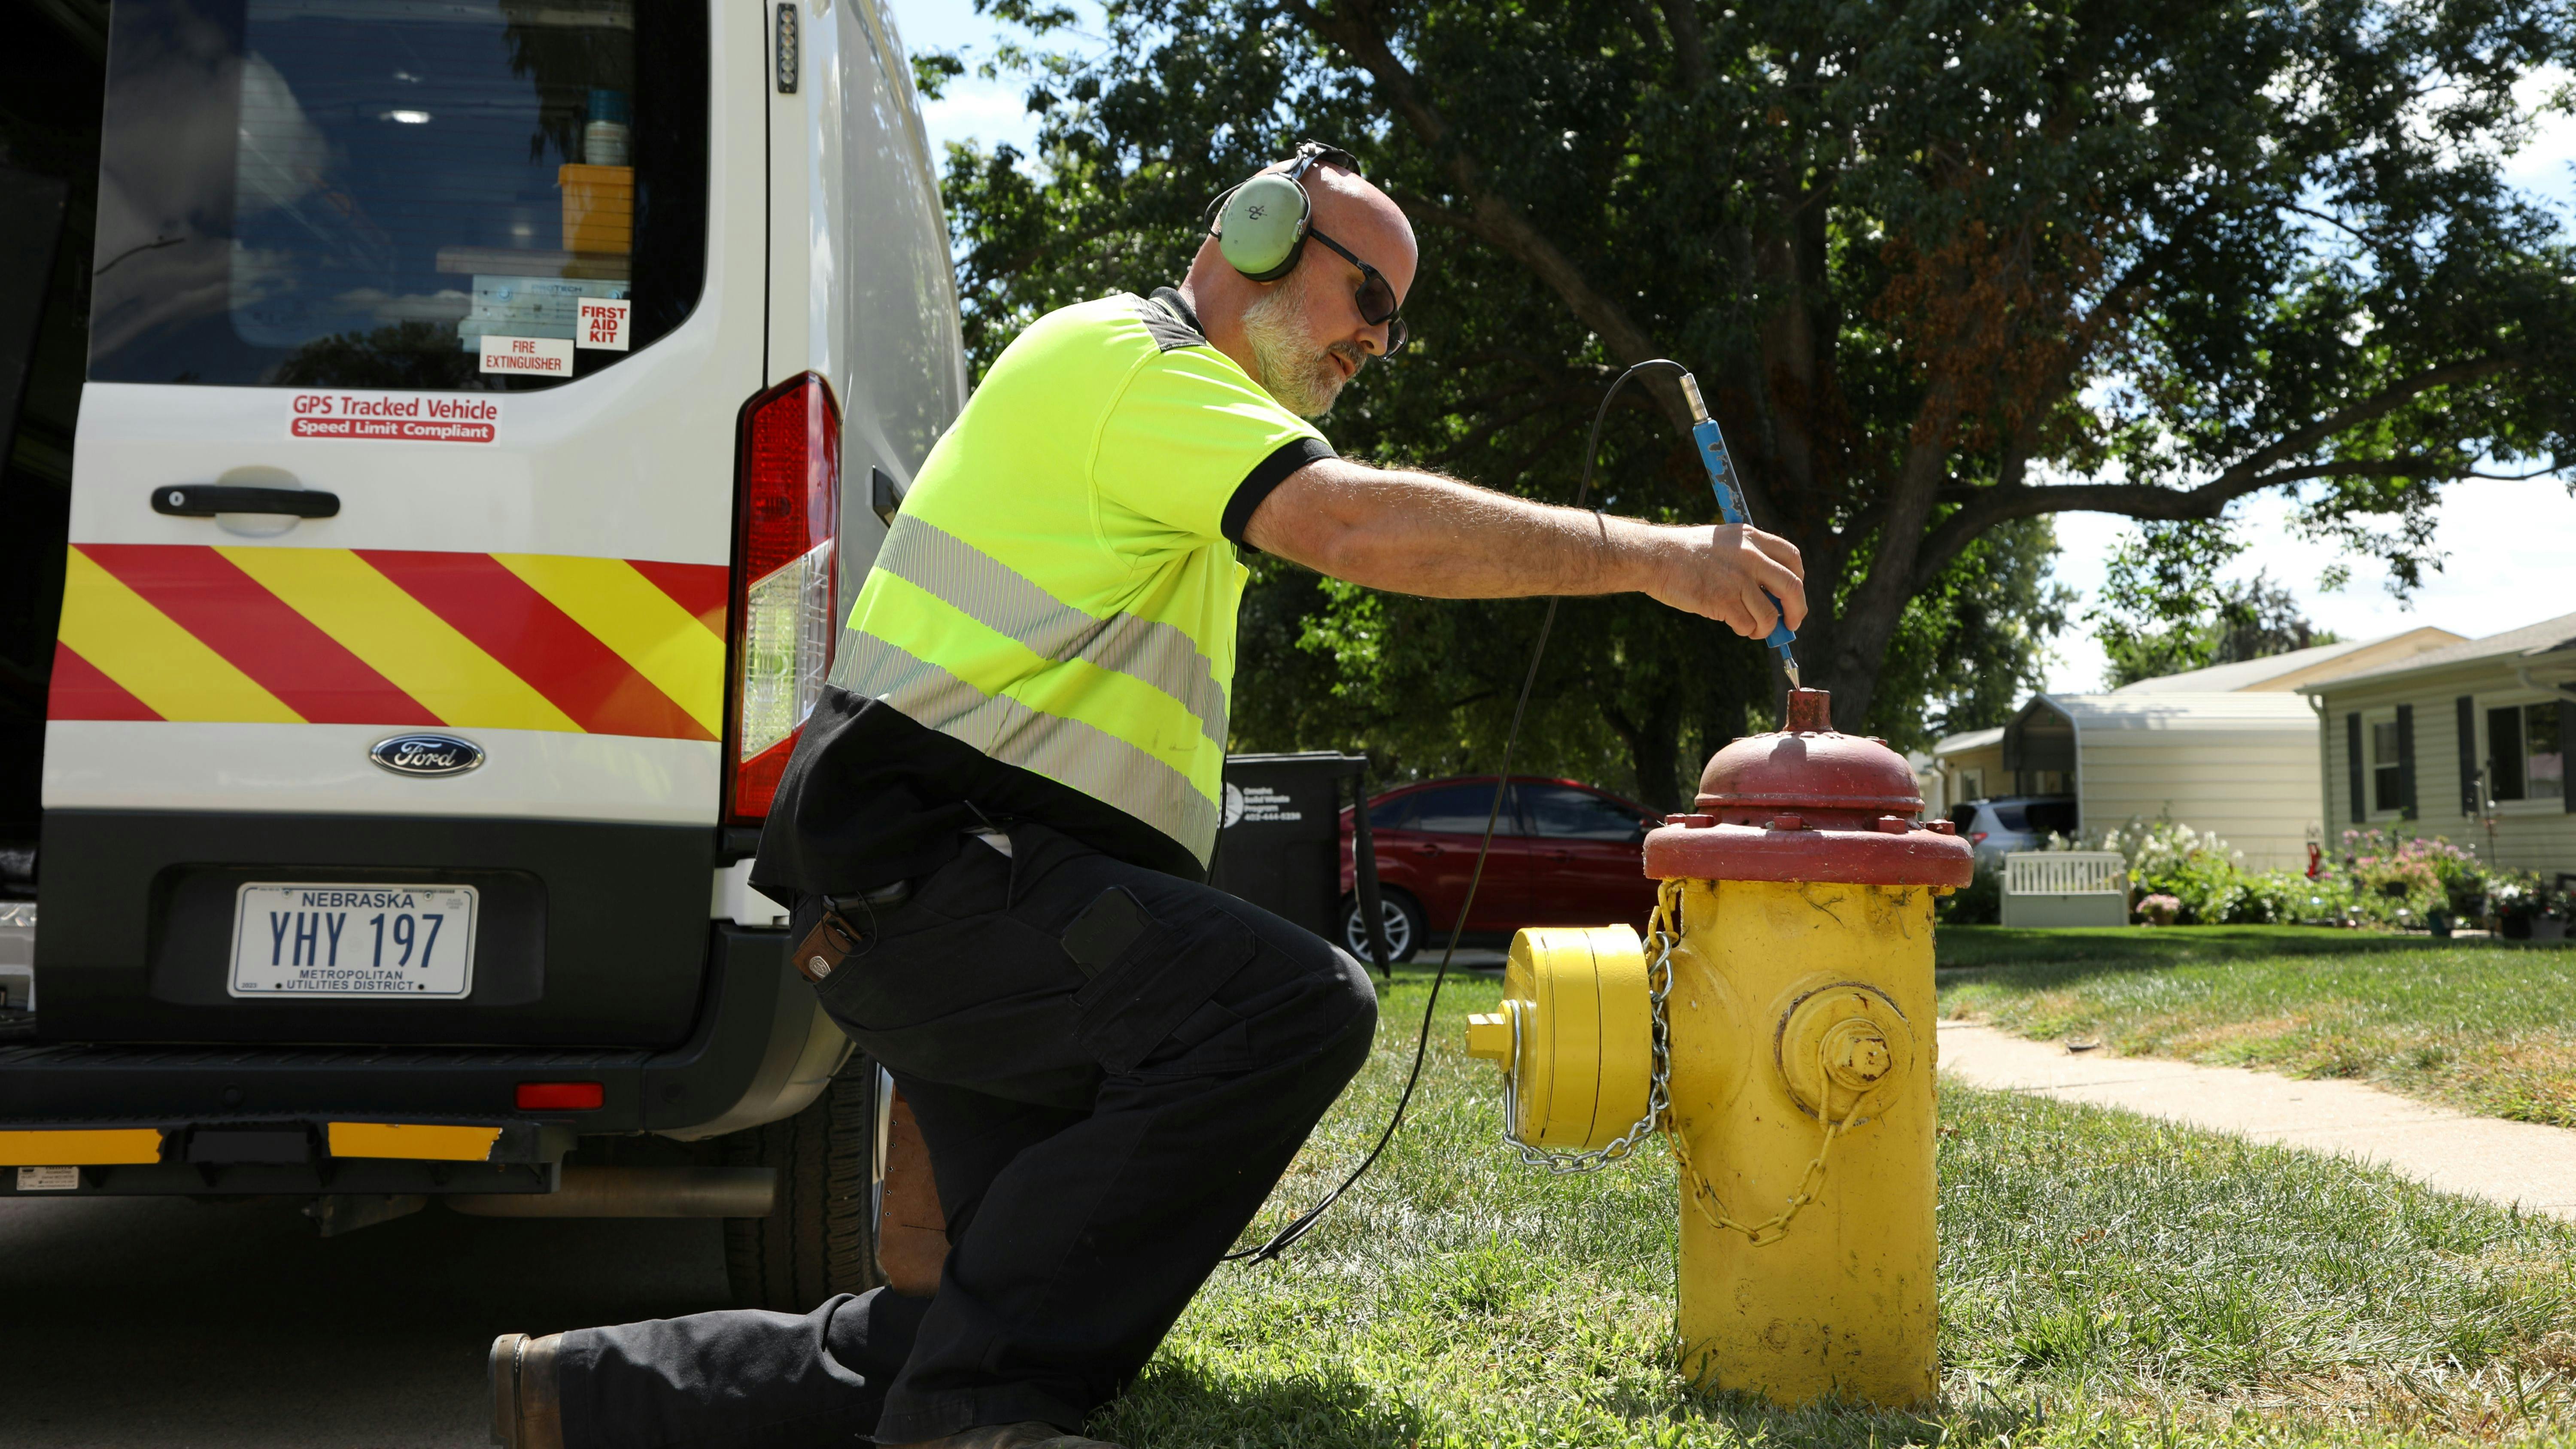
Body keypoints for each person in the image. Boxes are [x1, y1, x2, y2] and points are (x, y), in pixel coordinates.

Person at [486, 140, 1806, 1449]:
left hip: (947, 897)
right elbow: (1353, 526)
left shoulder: (1162, 440)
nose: (1378, 347)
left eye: (1394, 327)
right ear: (1257, 233)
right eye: (1372, 301)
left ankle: (576, 1391)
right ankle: (971, 1423)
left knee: (969, 1308)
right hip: (951, 874)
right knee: (1293, 1010)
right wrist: (1659, 561)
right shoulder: (1132, 365)